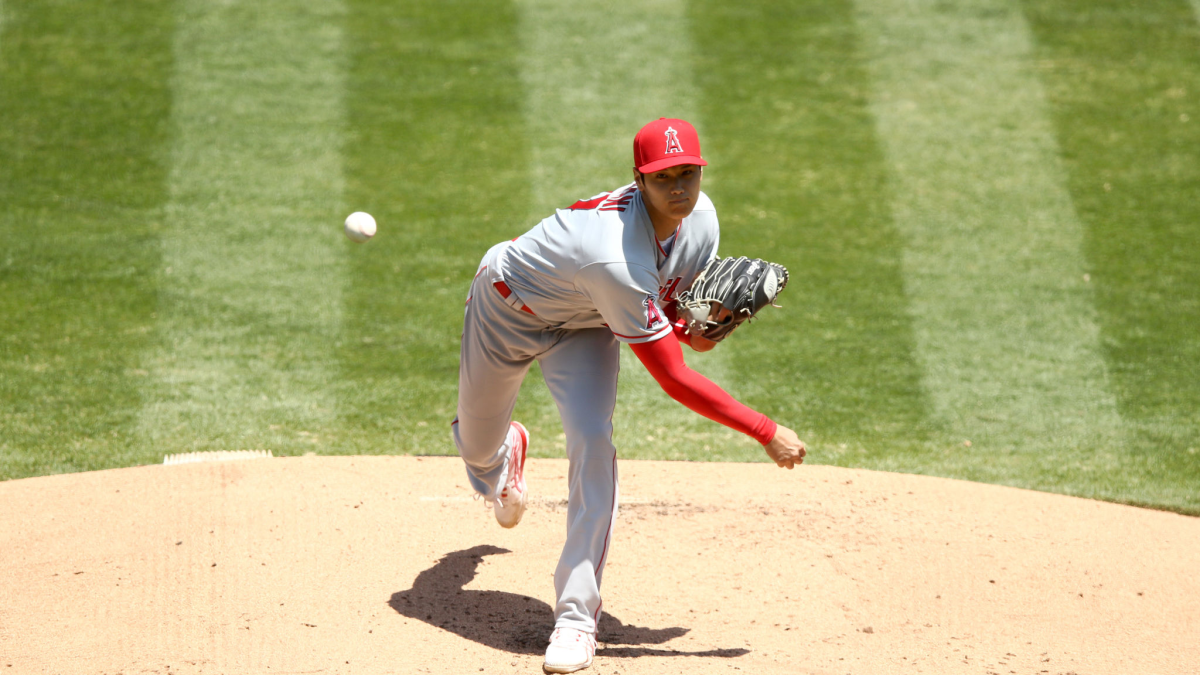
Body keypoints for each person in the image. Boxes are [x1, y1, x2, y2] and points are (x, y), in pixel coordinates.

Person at [453, 118, 806, 673]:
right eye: (664, 177)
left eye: (687, 173)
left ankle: (575, 621)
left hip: (588, 323)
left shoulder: (702, 221)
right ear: (638, 181)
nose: (679, 189)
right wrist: (764, 430)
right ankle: (504, 459)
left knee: (593, 440)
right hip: (507, 309)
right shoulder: (612, 255)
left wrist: (703, 328)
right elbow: (672, 376)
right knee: (476, 452)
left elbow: (680, 331)